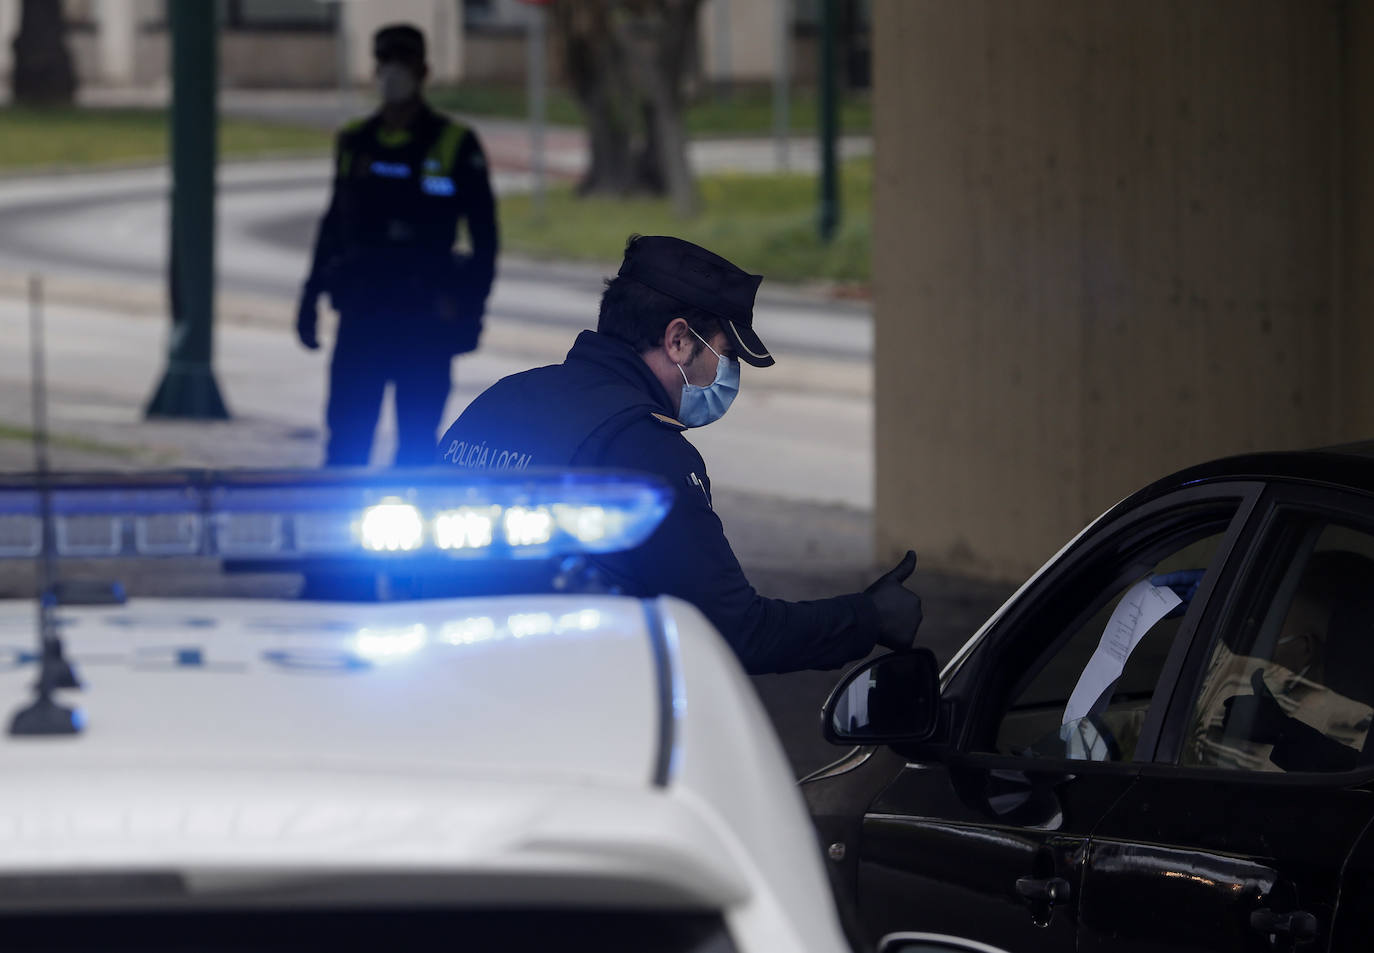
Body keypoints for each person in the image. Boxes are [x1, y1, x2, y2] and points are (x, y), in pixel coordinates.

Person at [436, 234, 923, 675]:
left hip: (445, 687)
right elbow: (734, 631)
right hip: (564, 708)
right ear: (678, 340)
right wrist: (868, 618)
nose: (728, 372)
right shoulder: (645, 449)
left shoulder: (502, 398)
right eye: (725, 353)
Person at [297, 23, 498, 467]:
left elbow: (485, 240)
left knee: (417, 449)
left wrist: (470, 311)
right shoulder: (355, 142)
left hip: (424, 321)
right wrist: (309, 297)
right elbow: (332, 226)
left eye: (402, 64)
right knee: (346, 444)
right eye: (385, 63)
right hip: (361, 318)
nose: (392, 73)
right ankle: (337, 531)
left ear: (423, 71)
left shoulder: (454, 144)